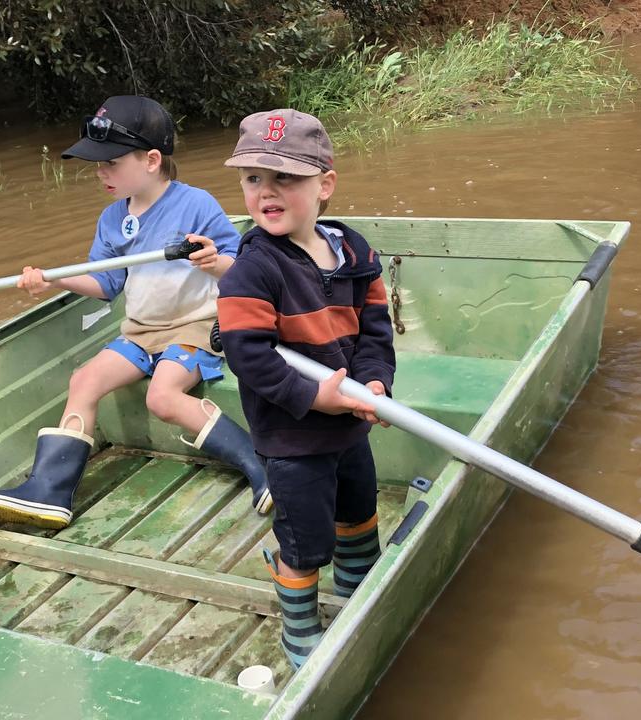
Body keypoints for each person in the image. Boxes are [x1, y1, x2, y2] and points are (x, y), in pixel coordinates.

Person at [0, 95, 272, 530]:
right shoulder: (112, 220)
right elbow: (105, 285)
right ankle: (51, 490)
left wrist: (214, 260)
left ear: (151, 159)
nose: (100, 172)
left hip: (195, 325)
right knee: (84, 380)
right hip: (138, 332)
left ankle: (259, 464)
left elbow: (242, 269)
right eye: (96, 164)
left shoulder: (196, 204)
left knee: (162, 396)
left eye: (110, 163)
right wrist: (54, 278)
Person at [215, 109, 396, 668]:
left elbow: (374, 330)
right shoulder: (253, 268)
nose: (266, 192)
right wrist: (316, 397)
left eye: (285, 178)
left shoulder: (354, 252)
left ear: (325, 186)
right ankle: (299, 625)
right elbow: (248, 356)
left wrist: (374, 383)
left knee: (359, 507)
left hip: (349, 422)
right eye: (252, 179)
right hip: (291, 438)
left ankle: (358, 581)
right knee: (305, 540)